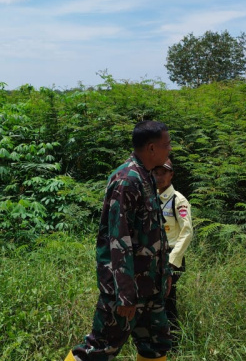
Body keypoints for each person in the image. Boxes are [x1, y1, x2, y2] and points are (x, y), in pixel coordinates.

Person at [66, 120, 174, 361]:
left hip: (150, 285)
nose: (170, 149)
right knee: (98, 350)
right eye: (167, 144)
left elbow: (156, 234)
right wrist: (125, 294)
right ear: (152, 148)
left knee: (156, 345)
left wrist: (164, 272)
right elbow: (118, 239)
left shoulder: (146, 176)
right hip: (127, 290)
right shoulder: (127, 180)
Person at [151, 159, 193, 348]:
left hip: (170, 258)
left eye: (163, 173)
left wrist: (173, 260)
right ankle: (156, 339)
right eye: (156, 173)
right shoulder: (151, 197)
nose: (159, 177)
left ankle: (173, 343)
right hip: (153, 257)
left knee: (167, 301)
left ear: (171, 175)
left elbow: (187, 232)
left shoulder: (178, 200)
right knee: (155, 300)